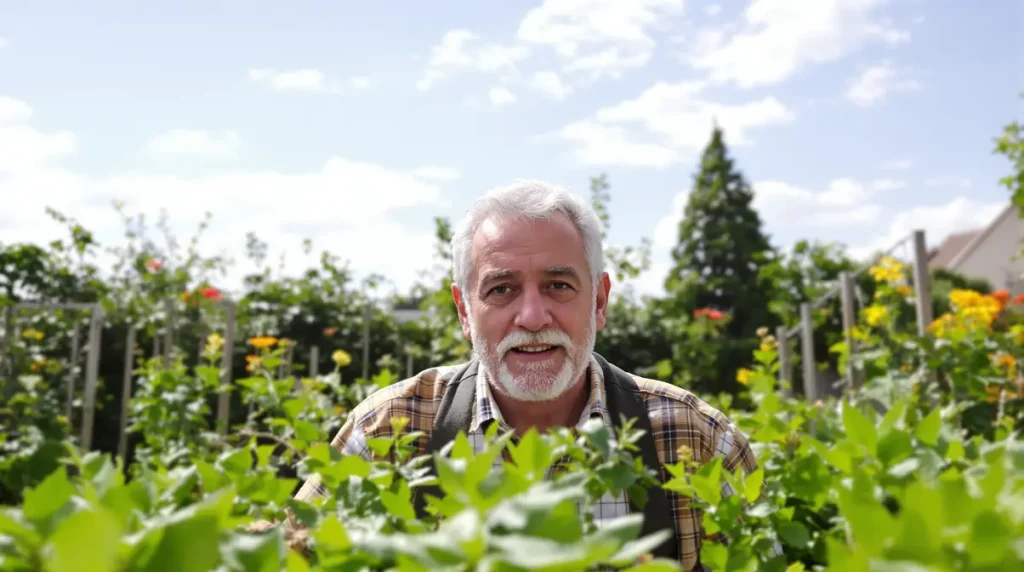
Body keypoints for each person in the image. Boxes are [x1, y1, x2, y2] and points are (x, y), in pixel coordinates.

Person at [280, 180, 780, 570]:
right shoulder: (388, 432)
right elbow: (291, 558)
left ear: (599, 301)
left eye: (559, 285)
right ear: (463, 310)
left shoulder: (694, 437)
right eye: (501, 290)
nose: (533, 316)